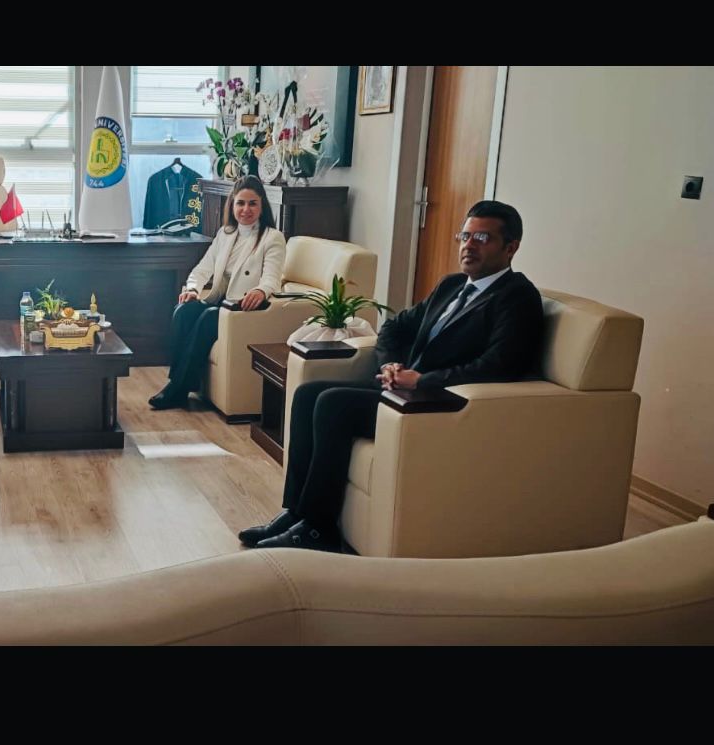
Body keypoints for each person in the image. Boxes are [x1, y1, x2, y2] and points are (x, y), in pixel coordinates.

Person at [239, 200, 545, 552]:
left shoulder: (517, 297)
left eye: (482, 238)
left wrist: (422, 381)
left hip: (434, 404)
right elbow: (395, 327)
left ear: (511, 247)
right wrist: (390, 364)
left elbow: (499, 365)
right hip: (399, 389)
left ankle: (318, 530)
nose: (469, 245)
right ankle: (296, 512)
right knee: (308, 394)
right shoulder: (452, 285)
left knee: (333, 404)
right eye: (465, 236)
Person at [148, 175, 286, 410]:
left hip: (242, 307)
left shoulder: (272, 237)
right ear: (232, 205)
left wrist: (261, 290)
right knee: (183, 310)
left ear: (262, 206)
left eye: (252, 203)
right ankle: (177, 382)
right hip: (219, 300)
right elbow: (203, 268)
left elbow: (272, 277)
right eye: (240, 203)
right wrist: (193, 289)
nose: (246, 209)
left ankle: (177, 390)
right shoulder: (225, 233)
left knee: (209, 316)